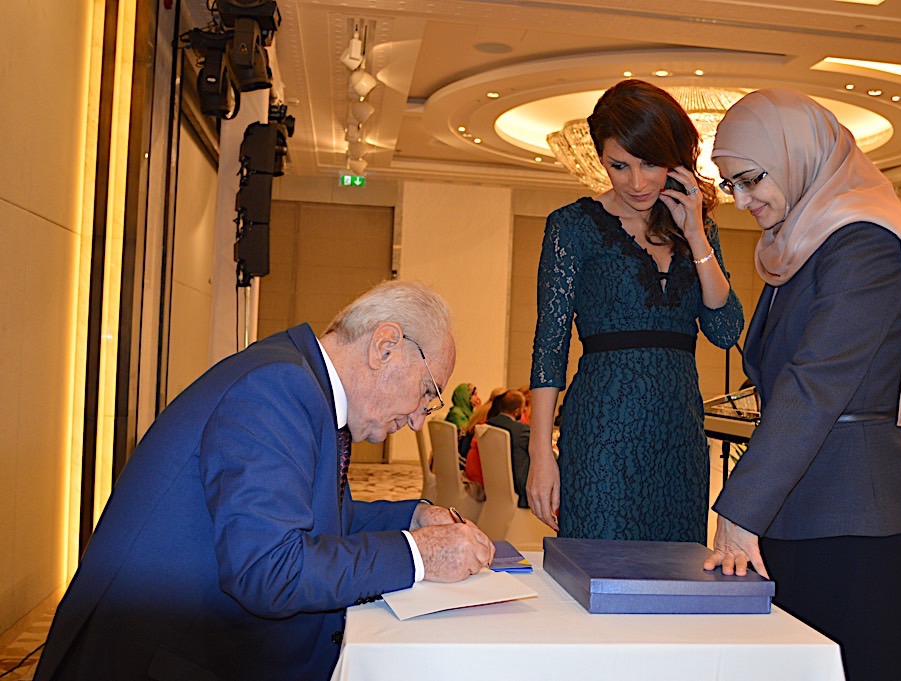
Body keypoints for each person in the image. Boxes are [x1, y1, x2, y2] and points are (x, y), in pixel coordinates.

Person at [34, 281, 495, 681]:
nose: (418, 420)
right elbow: (269, 570)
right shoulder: (277, 387)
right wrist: (420, 554)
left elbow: (315, 519)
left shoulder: (298, 381)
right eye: (428, 392)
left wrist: (414, 516)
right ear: (385, 346)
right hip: (157, 664)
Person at [703, 89, 901, 681]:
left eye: (751, 180)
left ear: (797, 156)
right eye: (731, 185)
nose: (742, 200)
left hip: (854, 513)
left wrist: (739, 508)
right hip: (799, 509)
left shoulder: (864, 242)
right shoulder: (800, 246)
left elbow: (815, 383)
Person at [528, 79, 745, 541]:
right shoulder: (573, 227)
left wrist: (696, 237)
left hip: (680, 439)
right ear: (600, 159)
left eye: (650, 163)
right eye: (619, 166)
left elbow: (725, 329)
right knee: (599, 570)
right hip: (601, 435)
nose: (637, 182)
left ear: (675, 159)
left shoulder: (698, 230)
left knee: (676, 574)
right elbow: (550, 346)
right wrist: (540, 452)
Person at [485, 390, 532, 508]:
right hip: (519, 489)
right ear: (517, 411)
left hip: (493, 485)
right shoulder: (521, 431)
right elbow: (541, 453)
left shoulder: (488, 424)